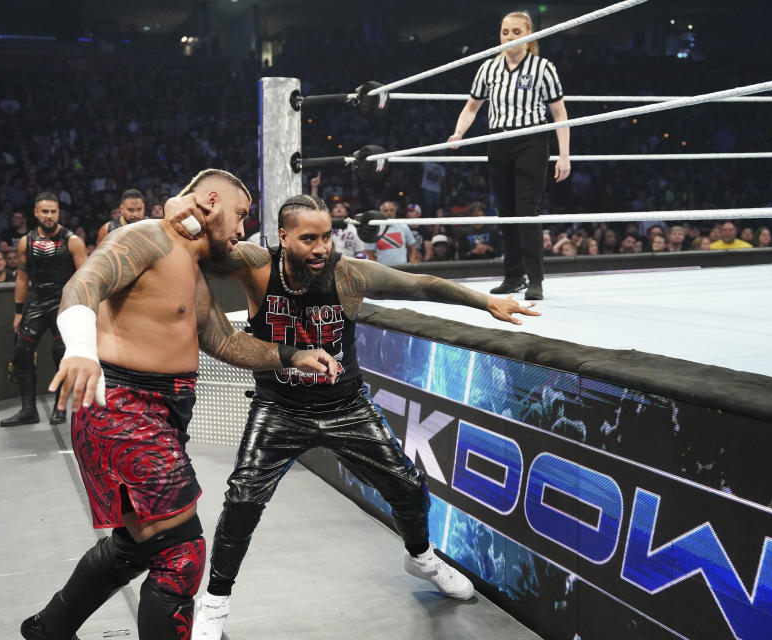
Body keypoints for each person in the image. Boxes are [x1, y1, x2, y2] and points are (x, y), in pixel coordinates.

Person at [179, 195, 539, 639]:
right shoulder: (256, 265)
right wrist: (181, 207)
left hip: (345, 406)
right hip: (279, 406)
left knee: (408, 488)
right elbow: (195, 250)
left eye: (326, 236)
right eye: (308, 238)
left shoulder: (349, 274)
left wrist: (485, 301)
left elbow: (421, 283)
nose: (320, 248)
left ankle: (421, 557)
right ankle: (214, 601)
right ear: (283, 236)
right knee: (242, 501)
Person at [19, 171, 337, 640]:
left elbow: (225, 343)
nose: (241, 231)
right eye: (240, 215)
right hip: (124, 408)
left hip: (159, 414)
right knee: (180, 555)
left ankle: (49, 629)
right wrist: (81, 347)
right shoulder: (145, 237)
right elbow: (83, 284)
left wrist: (292, 355)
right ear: (210, 200)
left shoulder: (191, 265)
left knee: (137, 545)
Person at [448, 10, 571, 301]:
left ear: (528, 36)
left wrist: (564, 155)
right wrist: (458, 133)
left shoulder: (543, 68)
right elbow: (471, 107)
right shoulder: (488, 68)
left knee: (527, 210)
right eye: (505, 32)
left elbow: (559, 112)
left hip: (532, 140)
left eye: (516, 32)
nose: (510, 37)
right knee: (505, 211)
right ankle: (513, 276)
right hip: (498, 141)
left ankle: (536, 279)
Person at [0, 192, 88, 428]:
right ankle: (28, 410)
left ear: (58, 213)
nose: (49, 216)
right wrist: (19, 311)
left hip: (64, 301)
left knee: (61, 352)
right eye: (45, 212)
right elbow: (22, 277)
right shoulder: (25, 241)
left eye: (53, 211)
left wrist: (82, 309)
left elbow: (85, 277)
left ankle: (60, 407)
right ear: (36, 213)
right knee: (22, 351)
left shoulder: (72, 241)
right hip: (37, 300)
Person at [364, 200, 421, 265]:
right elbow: (370, 255)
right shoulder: (374, 230)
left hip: (402, 269)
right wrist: (378, 270)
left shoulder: (403, 226)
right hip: (383, 270)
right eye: (386, 210)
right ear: (381, 212)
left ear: (395, 211)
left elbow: (412, 249)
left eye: (392, 210)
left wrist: (411, 263)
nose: (389, 213)